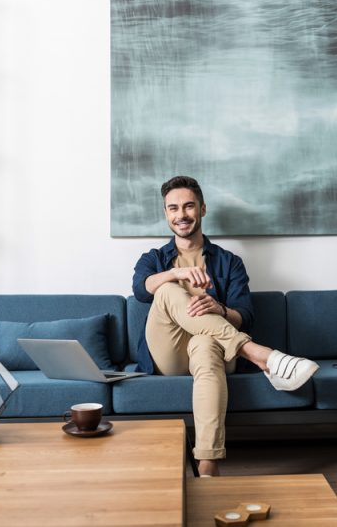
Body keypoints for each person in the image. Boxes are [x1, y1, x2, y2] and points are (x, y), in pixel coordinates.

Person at [132, 176, 318, 477]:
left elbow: (245, 315)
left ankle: (208, 466)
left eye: (189, 206)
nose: (181, 214)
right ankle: (260, 354)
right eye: (173, 208)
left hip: (214, 350)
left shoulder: (229, 262)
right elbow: (141, 289)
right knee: (165, 290)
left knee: (206, 346)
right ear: (166, 214)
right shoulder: (154, 259)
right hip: (169, 351)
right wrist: (174, 273)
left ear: (202, 209)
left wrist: (218, 308)